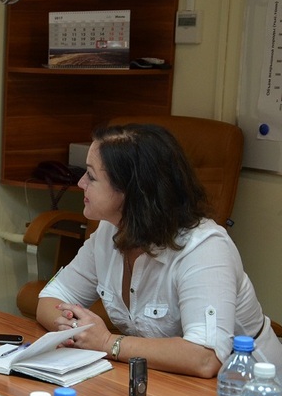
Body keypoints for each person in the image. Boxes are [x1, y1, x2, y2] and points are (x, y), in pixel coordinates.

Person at [36, 123, 282, 378]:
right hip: (169, 379)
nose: (80, 182)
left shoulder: (205, 248)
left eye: (92, 176)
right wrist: (76, 327)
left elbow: (205, 358)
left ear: (130, 191)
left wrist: (107, 343)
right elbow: (51, 298)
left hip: (254, 392)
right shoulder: (109, 231)